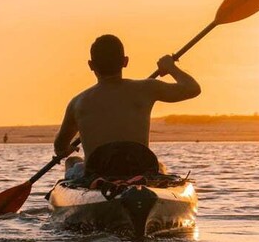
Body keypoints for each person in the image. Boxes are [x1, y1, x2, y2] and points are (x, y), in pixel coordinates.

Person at [53, 34, 201, 178]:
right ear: (125, 61)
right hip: (140, 169)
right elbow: (192, 89)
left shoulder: (78, 102)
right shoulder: (147, 88)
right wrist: (170, 67)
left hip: (96, 173)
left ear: (91, 65)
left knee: (72, 161)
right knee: (160, 166)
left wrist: (66, 150)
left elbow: (60, 145)